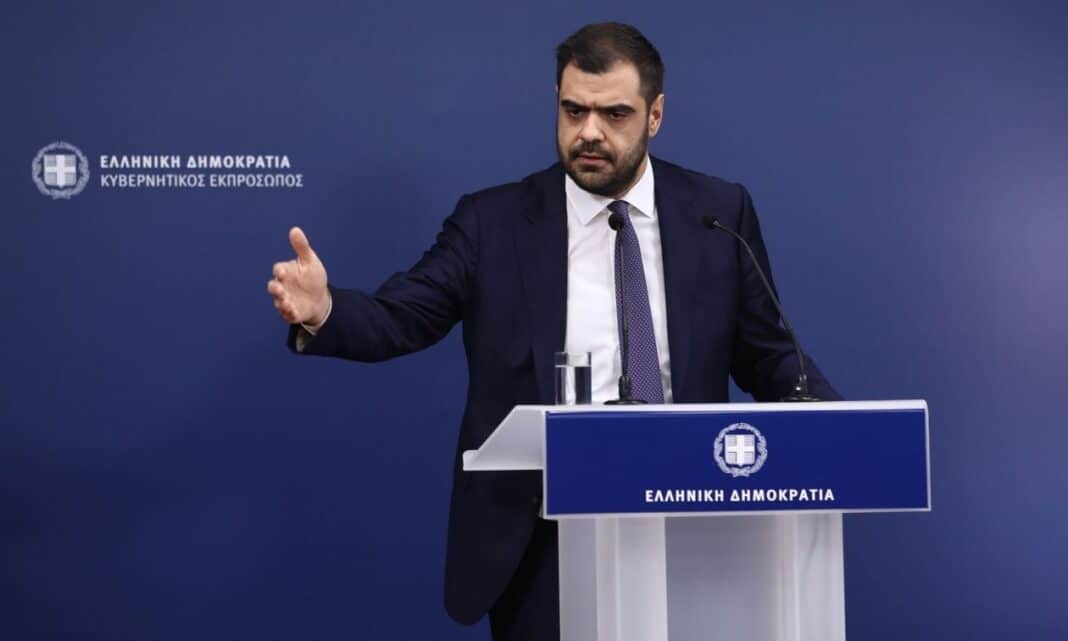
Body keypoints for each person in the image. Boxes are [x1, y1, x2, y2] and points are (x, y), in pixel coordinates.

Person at [267, 22, 839, 641]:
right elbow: (402, 317)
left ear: (655, 115)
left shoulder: (718, 213)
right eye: (573, 111)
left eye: (614, 114)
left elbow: (768, 356)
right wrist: (325, 308)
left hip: (690, 518)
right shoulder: (492, 221)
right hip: (542, 540)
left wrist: (843, 432)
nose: (589, 132)